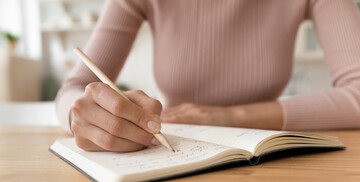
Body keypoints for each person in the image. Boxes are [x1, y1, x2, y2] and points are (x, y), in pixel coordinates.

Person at [55, 0, 360, 152]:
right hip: (172, 154)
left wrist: (236, 116)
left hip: (268, 162)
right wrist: (84, 115)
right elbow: (74, 88)